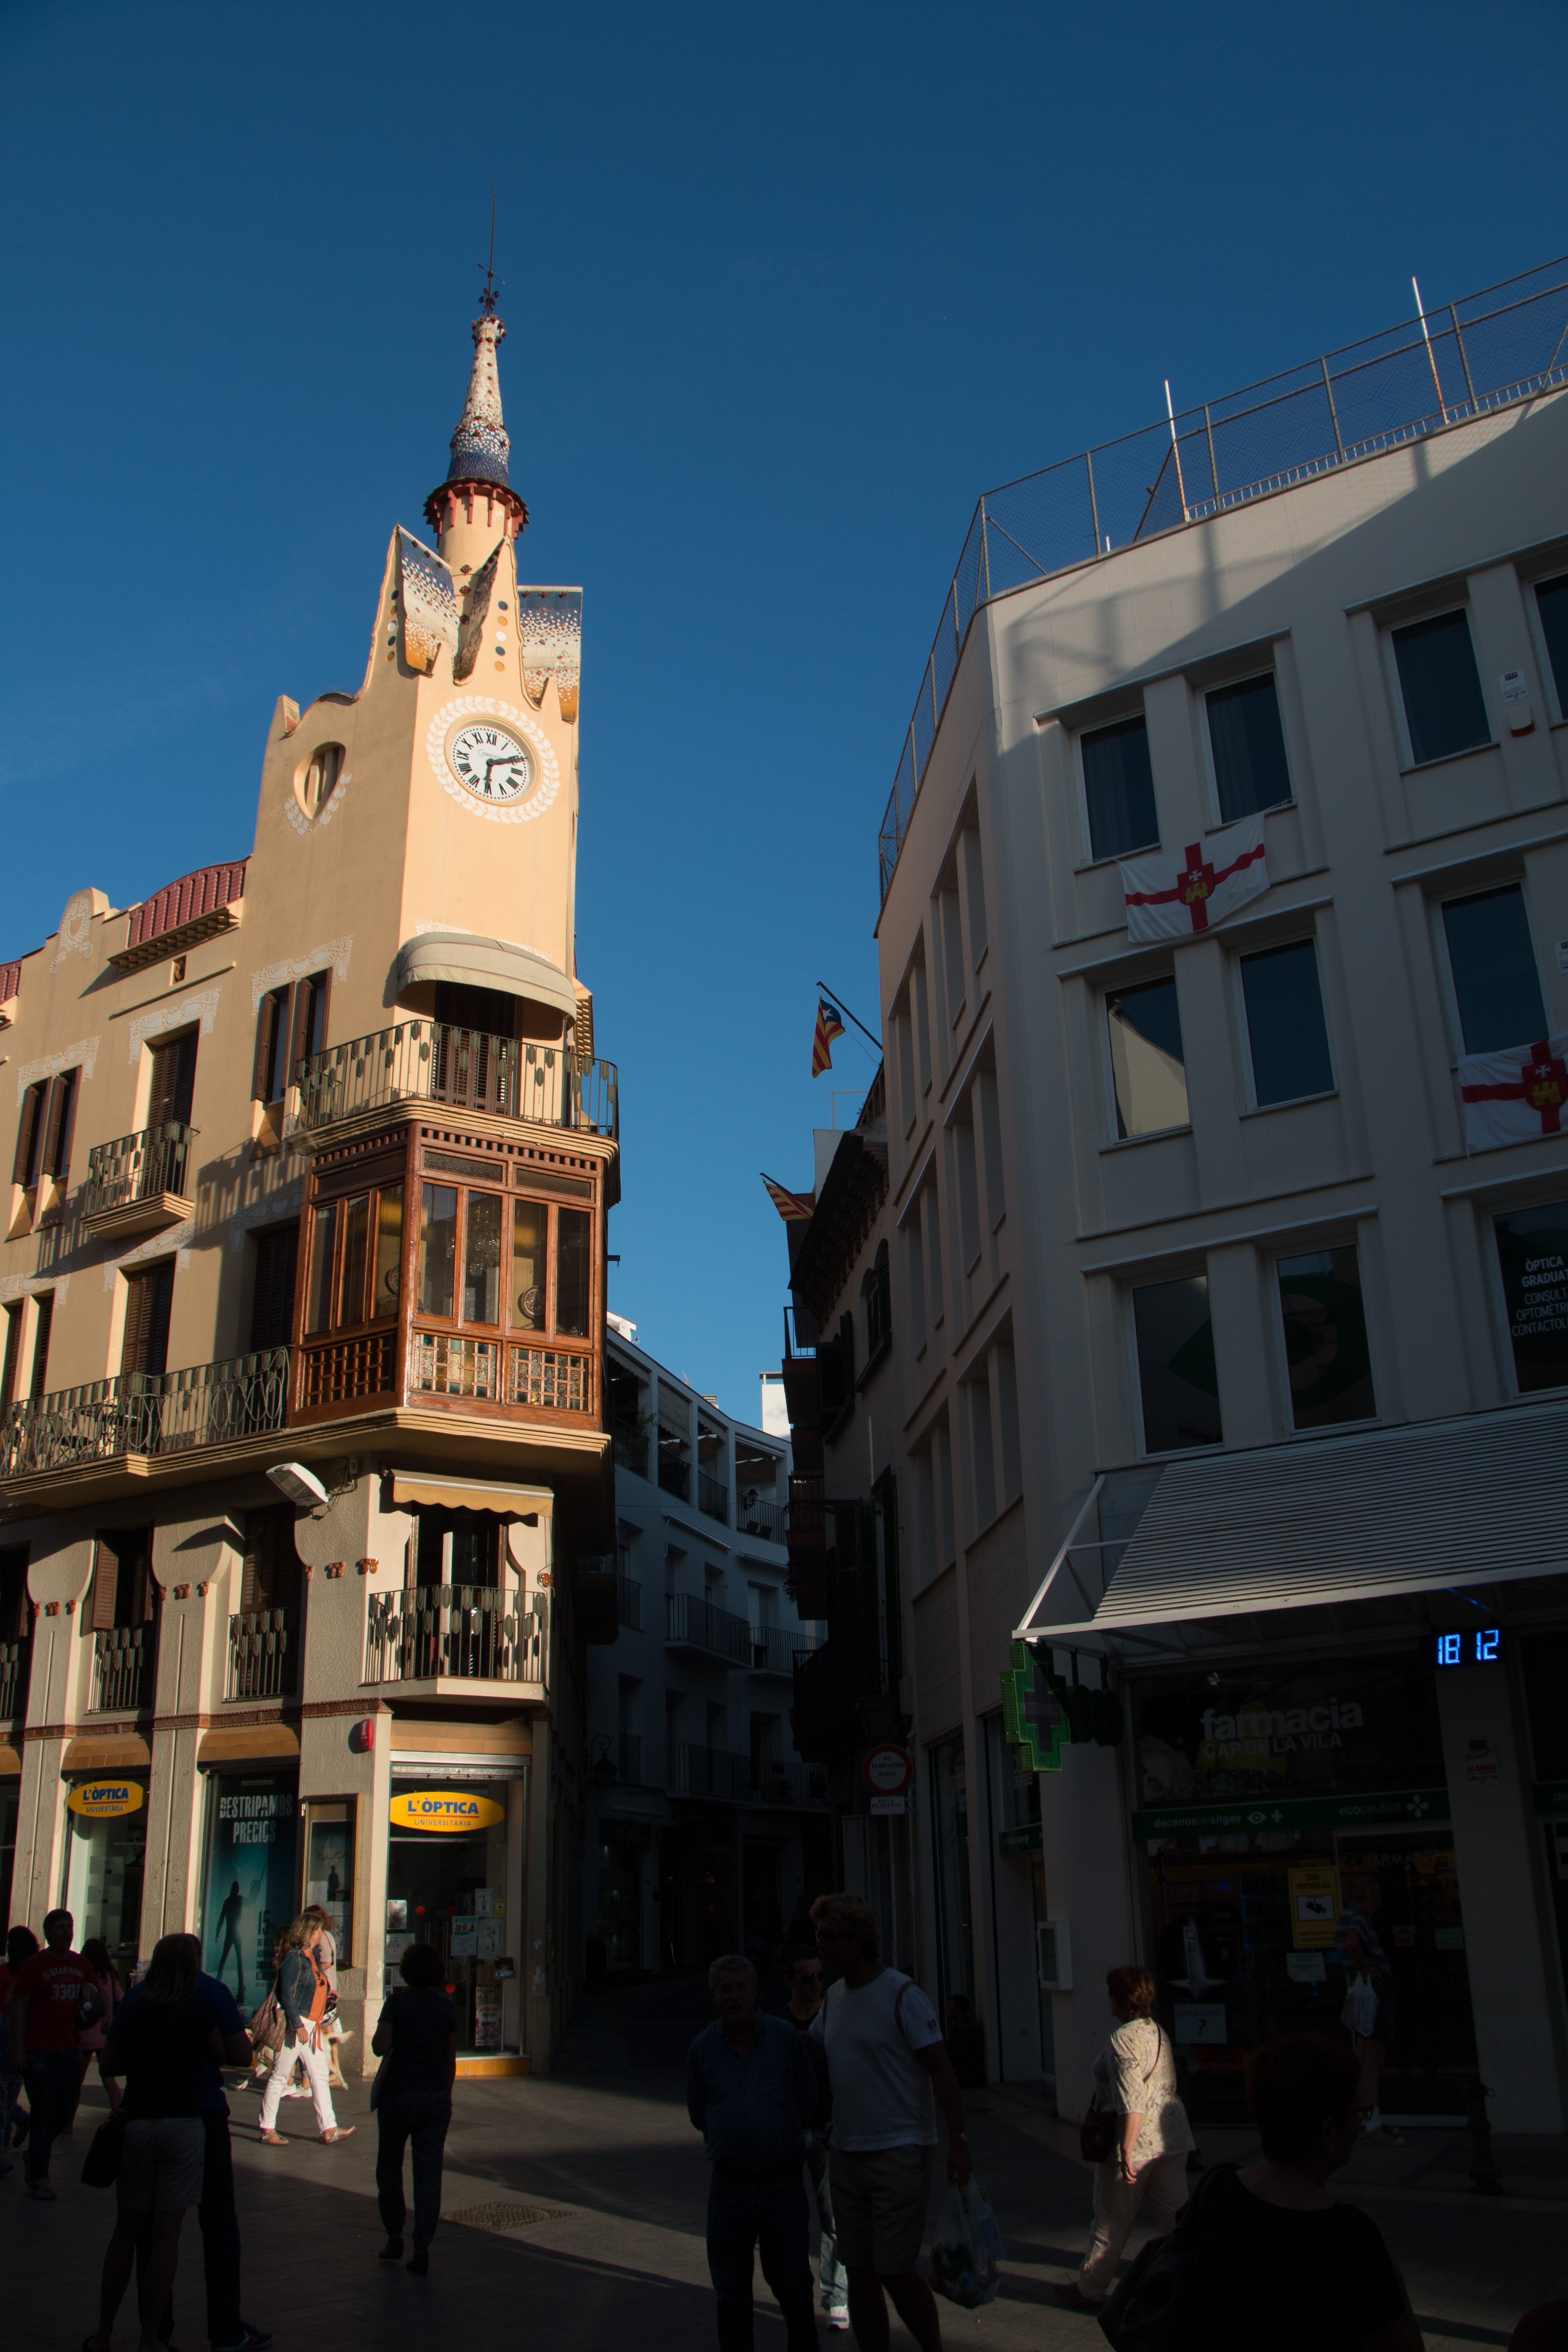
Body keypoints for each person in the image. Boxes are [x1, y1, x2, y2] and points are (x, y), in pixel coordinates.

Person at [1182, 2034, 1423, 2351]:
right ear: (1329, 2132)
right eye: (1357, 2112)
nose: (1358, 2125)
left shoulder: (1218, 2190)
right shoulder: (1350, 2239)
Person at [808, 1893, 970, 2352]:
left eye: (830, 1936)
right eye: (817, 1935)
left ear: (859, 1939)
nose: (821, 1944)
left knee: (895, 2270)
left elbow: (941, 2069)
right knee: (859, 2269)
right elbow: (813, 2046)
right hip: (847, 2153)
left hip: (900, 2149)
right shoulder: (833, 1998)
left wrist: (958, 2140)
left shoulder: (902, 1994)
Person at [110, 1942, 273, 2352]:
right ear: (196, 1961)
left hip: (144, 2115)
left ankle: (152, 2330)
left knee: (143, 2230)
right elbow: (239, 2055)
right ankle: (226, 2329)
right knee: (217, 2223)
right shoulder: (209, 1996)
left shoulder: (136, 1998)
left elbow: (112, 2059)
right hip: (200, 2114)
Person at [86, 1935, 229, 2352]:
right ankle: (151, 2339)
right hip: (183, 2123)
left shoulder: (134, 2006)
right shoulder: (199, 2009)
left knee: (126, 2231)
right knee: (167, 2237)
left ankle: (103, 2334)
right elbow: (222, 2056)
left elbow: (110, 2062)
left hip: (139, 2121)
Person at [687, 1952, 821, 2352]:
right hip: (729, 2189)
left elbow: (807, 2099)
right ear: (713, 1996)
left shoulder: (784, 2039)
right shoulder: (703, 2049)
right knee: (731, 2294)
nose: (734, 1997)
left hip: (781, 2185)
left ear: (756, 1991)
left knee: (793, 2286)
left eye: (741, 1988)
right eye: (725, 1990)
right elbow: (699, 2114)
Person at [1055, 1963, 1194, 2315]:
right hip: (1172, 2138)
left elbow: (1132, 2101)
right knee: (1180, 2220)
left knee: (1111, 2221)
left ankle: (1089, 2291)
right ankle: (1205, 2275)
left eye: (1110, 1993)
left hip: (1138, 2143)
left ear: (1119, 1998)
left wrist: (1127, 2150)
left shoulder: (1123, 2040)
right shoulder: (1156, 2032)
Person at [767, 1946, 848, 2331]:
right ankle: (795, 2292)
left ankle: (837, 2296)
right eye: (807, 1979)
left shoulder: (833, 2018)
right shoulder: (776, 2024)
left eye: (820, 1977)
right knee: (787, 2217)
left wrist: (842, 2118)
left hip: (827, 2130)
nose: (816, 1985)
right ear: (790, 1981)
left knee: (833, 2216)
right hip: (788, 2132)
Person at [372, 1940, 459, 2275]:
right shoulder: (446, 2008)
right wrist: (444, 2095)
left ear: (406, 1972)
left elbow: (380, 2046)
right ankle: (422, 2247)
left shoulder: (396, 2003)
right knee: (428, 2173)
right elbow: (449, 2060)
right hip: (435, 2095)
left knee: (389, 2166)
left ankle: (395, 2235)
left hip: (398, 2094)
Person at [6, 1906, 104, 2199]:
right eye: (60, 1927)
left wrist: (105, 2015)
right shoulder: (35, 1965)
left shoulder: (80, 1963)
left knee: (65, 2109)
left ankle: (35, 2155)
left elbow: (96, 1991)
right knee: (44, 2110)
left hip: (69, 2047)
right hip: (39, 2050)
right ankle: (40, 2177)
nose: (66, 1932)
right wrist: (18, 2048)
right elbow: (19, 2006)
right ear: (48, 1933)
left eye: (69, 1927)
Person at [257, 1914, 353, 2146]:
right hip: (297, 2026)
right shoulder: (294, 1959)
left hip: (313, 2026)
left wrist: (327, 1994)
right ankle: (267, 2129)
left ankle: (330, 2128)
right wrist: (297, 2025)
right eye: (318, 1931)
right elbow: (286, 1994)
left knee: (320, 2077)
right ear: (309, 1933)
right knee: (280, 2076)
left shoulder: (313, 1958)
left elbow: (313, 1986)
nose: (322, 1935)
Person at [1336, 1873, 1405, 2144]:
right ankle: (1371, 2122)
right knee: (1373, 2056)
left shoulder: (1351, 1914)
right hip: (1373, 1988)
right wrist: (1366, 1972)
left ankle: (1366, 2119)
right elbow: (1353, 1942)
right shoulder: (1360, 1916)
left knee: (1365, 2055)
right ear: (1372, 1894)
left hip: (1364, 1986)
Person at [0, 1923, 40, 2175]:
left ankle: (8, 2135)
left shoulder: (4, 1973)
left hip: (4, 2037)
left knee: (2, 2100)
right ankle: (19, 2121)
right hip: (26, 2041)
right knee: (8, 2097)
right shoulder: (35, 1973)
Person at [302, 1904, 350, 2089]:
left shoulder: (321, 1936)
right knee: (329, 2033)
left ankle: (328, 2071)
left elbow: (327, 1961)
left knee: (325, 2032)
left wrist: (313, 1973)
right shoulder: (329, 1934)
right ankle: (335, 2071)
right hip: (329, 1989)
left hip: (324, 1990)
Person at [80, 1937, 126, 2116]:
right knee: (109, 2079)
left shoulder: (84, 1977)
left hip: (85, 2034)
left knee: (78, 2082)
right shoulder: (110, 1977)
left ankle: (68, 2124)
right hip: (105, 2034)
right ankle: (118, 2114)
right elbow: (122, 2000)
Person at [212, 1882, 247, 2002]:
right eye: (235, 1888)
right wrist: (218, 1932)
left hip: (233, 1934)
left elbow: (221, 1918)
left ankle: (236, 1983)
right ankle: (238, 1984)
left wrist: (218, 1932)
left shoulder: (232, 1901)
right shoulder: (233, 1901)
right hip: (233, 1934)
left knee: (232, 1959)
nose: (236, 1890)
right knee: (234, 1959)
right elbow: (222, 1918)